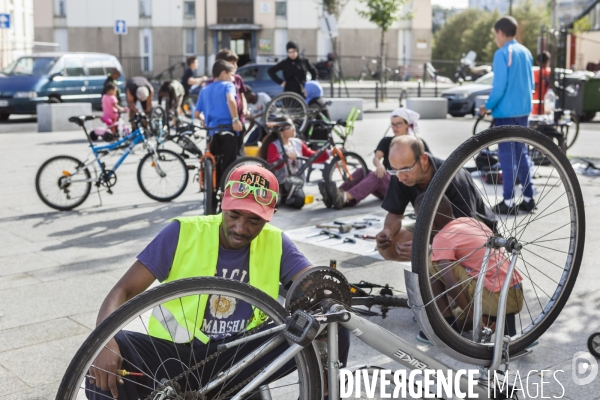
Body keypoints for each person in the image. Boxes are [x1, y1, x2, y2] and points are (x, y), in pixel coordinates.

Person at [84, 164, 350, 400]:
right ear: (222, 202)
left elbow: (314, 284)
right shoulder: (182, 232)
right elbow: (123, 290)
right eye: (234, 215)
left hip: (238, 358)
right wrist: (103, 344)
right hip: (175, 357)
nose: (241, 228)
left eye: (254, 220)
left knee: (333, 325)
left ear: (271, 215)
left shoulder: (276, 242)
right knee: (103, 364)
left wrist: (327, 296)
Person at [413, 193, 523, 344]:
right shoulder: (471, 221)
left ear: (429, 222)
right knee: (461, 319)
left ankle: (446, 329)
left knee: (431, 262)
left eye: (418, 218)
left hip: (495, 298)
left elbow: (452, 284)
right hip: (513, 294)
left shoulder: (442, 238)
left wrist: (474, 316)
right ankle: (497, 324)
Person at [375, 135, 495, 262]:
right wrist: (387, 230)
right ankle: (433, 263)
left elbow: (467, 231)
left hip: (471, 228)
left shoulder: (454, 177)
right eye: (394, 170)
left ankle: (440, 270)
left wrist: (430, 250)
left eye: (406, 169)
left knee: (434, 256)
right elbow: (395, 213)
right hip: (434, 225)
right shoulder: (400, 174)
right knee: (389, 246)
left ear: (424, 159)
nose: (400, 177)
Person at [479, 16, 535, 215]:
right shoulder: (526, 52)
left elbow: (499, 86)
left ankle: (509, 200)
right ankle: (529, 197)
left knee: (506, 157)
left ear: (500, 33)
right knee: (522, 154)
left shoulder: (503, 53)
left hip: (505, 113)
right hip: (523, 110)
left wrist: (487, 106)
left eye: (495, 35)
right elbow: (532, 84)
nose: (496, 38)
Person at [320, 108, 420, 210]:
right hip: (386, 182)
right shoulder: (387, 141)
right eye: (393, 124)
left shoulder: (414, 143)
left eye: (398, 124)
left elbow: (426, 163)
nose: (395, 127)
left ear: (407, 124)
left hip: (400, 186)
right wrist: (379, 165)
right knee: (362, 171)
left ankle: (345, 197)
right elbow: (376, 158)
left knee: (377, 175)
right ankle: (335, 194)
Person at [259, 118, 329, 208]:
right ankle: (280, 196)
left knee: (299, 202)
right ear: (281, 132)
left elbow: (311, 156)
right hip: (280, 182)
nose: (293, 128)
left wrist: (328, 153)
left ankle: (287, 197)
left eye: (293, 125)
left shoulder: (297, 143)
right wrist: (285, 156)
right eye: (290, 127)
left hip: (294, 184)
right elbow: (273, 163)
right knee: (274, 202)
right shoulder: (274, 145)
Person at [194, 60, 244, 187]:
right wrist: (235, 120)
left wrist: (203, 119)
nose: (233, 78)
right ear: (223, 74)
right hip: (228, 129)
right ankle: (227, 191)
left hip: (212, 132)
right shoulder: (228, 85)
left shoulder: (204, 90)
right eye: (232, 75)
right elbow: (231, 101)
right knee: (230, 164)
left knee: (214, 163)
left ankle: (213, 196)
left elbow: (196, 114)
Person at [203, 49, 249, 152]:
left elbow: (242, 96)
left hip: (238, 122)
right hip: (218, 125)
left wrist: (245, 109)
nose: (236, 66)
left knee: (237, 153)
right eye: (233, 63)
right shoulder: (211, 82)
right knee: (217, 155)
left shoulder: (237, 79)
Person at [532, 51, 551, 115]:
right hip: (548, 101)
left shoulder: (536, 72)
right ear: (547, 61)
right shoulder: (549, 72)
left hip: (537, 101)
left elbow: (535, 85)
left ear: (537, 61)